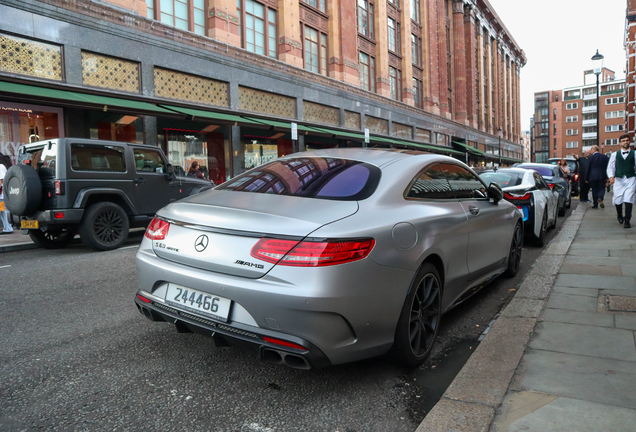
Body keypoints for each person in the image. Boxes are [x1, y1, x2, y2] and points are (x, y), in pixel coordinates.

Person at [607, 134, 636, 228]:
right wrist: (611, 176)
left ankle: (627, 220)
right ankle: (619, 214)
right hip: (618, 180)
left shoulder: (634, 153)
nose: (625, 142)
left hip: (631, 178)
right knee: (618, 199)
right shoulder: (615, 154)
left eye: (627, 140)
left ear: (629, 142)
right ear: (620, 143)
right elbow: (610, 167)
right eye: (623, 141)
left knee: (629, 199)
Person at [0, 152, 14, 234]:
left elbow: (0, 181)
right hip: (3, 195)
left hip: (1, 195)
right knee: (3, 211)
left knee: (4, 212)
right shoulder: (3, 166)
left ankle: (8, 228)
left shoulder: (0, 167)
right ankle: (7, 227)